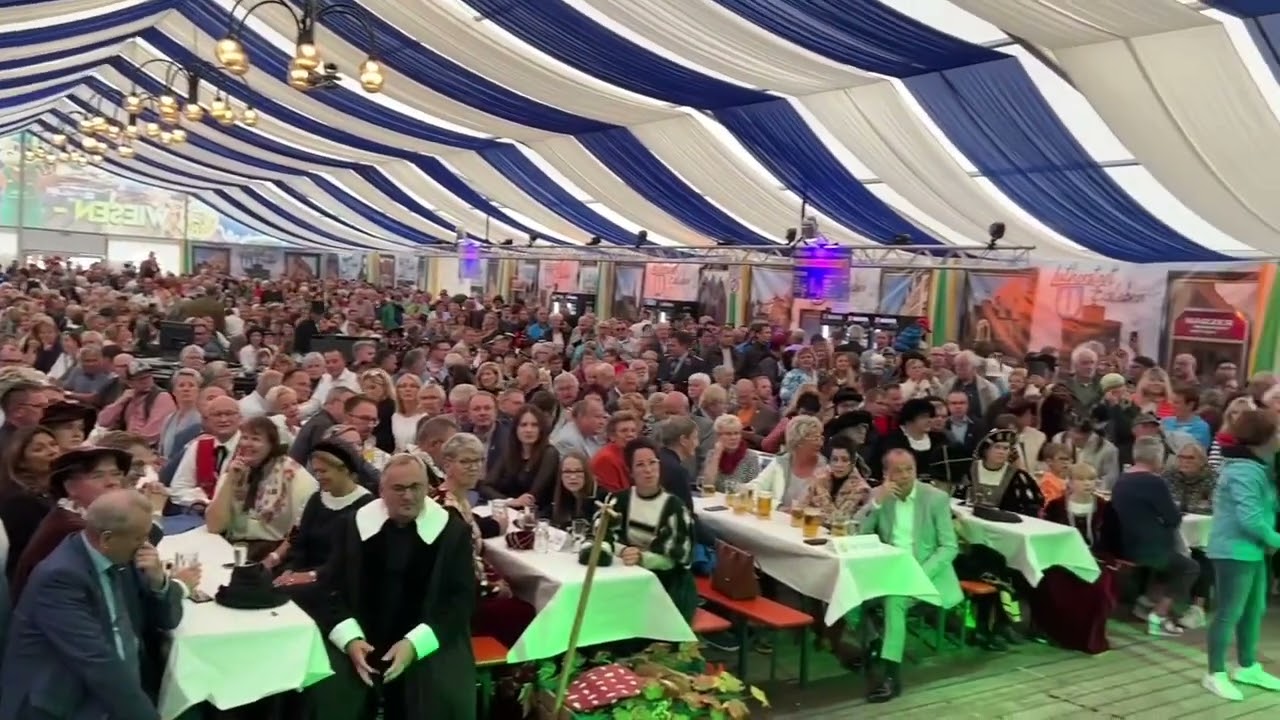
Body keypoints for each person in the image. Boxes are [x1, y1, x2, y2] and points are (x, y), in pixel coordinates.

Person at [308, 454, 477, 719]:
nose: (408, 496)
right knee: (328, 690)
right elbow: (328, 589)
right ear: (381, 491)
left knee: (439, 693)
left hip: (424, 634)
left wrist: (414, 644)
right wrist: (349, 639)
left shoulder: (452, 533)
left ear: (427, 489)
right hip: (360, 634)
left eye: (416, 488)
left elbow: (461, 600)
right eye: (398, 488)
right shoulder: (351, 526)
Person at [0, 490, 186, 720]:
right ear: (107, 539)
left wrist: (159, 582)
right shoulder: (59, 578)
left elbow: (168, 620)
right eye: (140, 538)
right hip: (65, 702)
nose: (146, 545)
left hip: (115, 687)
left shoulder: (121, 558)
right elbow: (96, 662)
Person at [854, 449, 962, 703]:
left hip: (927, 572)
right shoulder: (880, 496)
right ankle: (873, 644)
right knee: (849, 589)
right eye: (897, 471)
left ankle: (891, 674)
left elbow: (949, 546)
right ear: (886, 474)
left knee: (894, 601)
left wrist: (920, 575)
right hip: (888, 569)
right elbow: (858, 535)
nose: (904, 476)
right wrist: (877, 503)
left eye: (909, 470)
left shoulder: (935, 498)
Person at [1203, 409, 1280, 701]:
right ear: (1263, 438)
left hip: (1254, 550)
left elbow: (1268, 508)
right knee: (1228, 614)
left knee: (1254, 610)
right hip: (1233, 551)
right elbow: (1250, 519)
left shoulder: (1260, 466)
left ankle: (1247, 665)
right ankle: (1214, 672)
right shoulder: (1242, 471)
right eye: (1276, 432)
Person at [433, 434, 534, 648]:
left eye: (478, 461)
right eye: (465, 461)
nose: (473, 467)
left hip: (470, 586)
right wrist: (493, 588)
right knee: (525, 610)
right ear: (447, 464)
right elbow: (456, 570)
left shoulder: (459, 499)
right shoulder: (447, 508)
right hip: (457, 602)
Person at [1112, 436, 1200, 636]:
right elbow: (1172, 518)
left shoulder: (1121, 481)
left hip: (1125, 545)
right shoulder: (1154, 483)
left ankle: (1147, 603)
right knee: (1190, 567)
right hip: (1148, 549)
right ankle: (1159, 616)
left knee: (1170, 562)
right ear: (1158, 458)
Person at [599, 438, 696, 621]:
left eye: (652, 463)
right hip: (624, 575)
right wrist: (624, 550)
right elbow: (602, 535)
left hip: (667, 583)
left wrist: (642, 558)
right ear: (631, 472)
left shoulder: (674, 507)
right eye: (640, 465)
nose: (648, 470)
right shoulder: (618, 501)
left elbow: (674, 560)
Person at [204, 417, 318, 560]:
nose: (247, 444)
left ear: (271, 444)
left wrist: (277, 556)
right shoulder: (234, 469)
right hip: (233, 547)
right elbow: (214, 526)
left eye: (256, 439)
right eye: (244, 438)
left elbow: (306, 523)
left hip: (274, 550)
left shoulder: (292, 474)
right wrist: (230, 480)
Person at [1034, 463, 1120, 654]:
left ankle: (1090, 638)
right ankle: (1059, 634)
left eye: (1091, 479)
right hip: (1062, 558)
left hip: (1096, 557)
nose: (1087, 484)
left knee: (1099, 587)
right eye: (1081, 479)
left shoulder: (1105, 507)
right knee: (1056, 582)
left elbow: (1113, 539)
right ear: (1070, 482)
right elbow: (1047, 536)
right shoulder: (1055, 506)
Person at [271, 441, 373, 587]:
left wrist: (313, 575)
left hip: (337, 582)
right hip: (303, 574)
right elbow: (299, 543)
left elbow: (350, 559)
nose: (318, 477)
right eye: (316, 472)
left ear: (344, 470)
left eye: (323, 471)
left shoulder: (365, 505)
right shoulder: (316, 499)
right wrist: (290, 570)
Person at [0, 426, 59, 578]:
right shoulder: (19, 501)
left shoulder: (54, 491)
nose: (52, 451)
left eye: (53, 444)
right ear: (21, 462)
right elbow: (30, 552)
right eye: (39, 449)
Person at [954, 428, 1045, 517]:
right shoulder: (969, 470)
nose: (1001, 452)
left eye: (1005, 448)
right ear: (986, 450)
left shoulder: (1018, 477)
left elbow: (1031, 508)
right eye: (997, 447)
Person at [482, 405, 560, 507]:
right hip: (511, 510)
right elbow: (485, 487)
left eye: (534, 425)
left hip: (538, 514)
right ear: (515, 429)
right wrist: (509, 501)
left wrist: (514, 502)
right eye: (523, 425)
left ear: (541, 429)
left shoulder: (550, 453)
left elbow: (533, 495)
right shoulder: (509, 452)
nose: (529, 430)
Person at [798, 435, 870, 522]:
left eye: (844, 460)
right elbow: (800, 508)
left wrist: (821, 490)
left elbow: (838, 520)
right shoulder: (820, 475)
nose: (839, 465)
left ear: (853, 462)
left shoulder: (860, 488)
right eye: (835, 459)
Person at [545, 450, 607, 528]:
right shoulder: (558, 493)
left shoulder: (601, 497)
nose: (573, 477)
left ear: (586, 474)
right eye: (567, 472)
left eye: (578, 471)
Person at [700, 414, 761, 492]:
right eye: (728, 434)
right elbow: (707, 485)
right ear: (718, 436)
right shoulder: (712, 454)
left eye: (736, 433)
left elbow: (753, 488)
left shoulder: (750, 457)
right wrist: (717, 455)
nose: (733, 437)